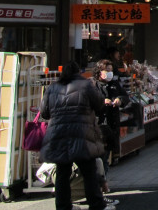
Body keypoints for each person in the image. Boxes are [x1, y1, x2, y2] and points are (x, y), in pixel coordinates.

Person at [39, 61, 115, 210]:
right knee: (89, 171)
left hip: (59, 135)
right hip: (82, 134)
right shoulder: (86, 86)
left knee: (62, 173)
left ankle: (63, 206)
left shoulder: (52, 88)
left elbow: (44, 113)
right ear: (78, 72)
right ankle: (96, 204)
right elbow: (99, 104)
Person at [92, 59, 129, 196]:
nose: (109, 73)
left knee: (105, 155)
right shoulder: (92, 85)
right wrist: (102, 102)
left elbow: (125, 97)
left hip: (111, 125)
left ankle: (102, 184)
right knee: (99, 157)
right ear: (99, 71)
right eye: (106, 70)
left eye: (111, 70)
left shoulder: (114, 84)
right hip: (97, 126)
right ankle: (100, 185)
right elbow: (88, 101)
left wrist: (120, 100)